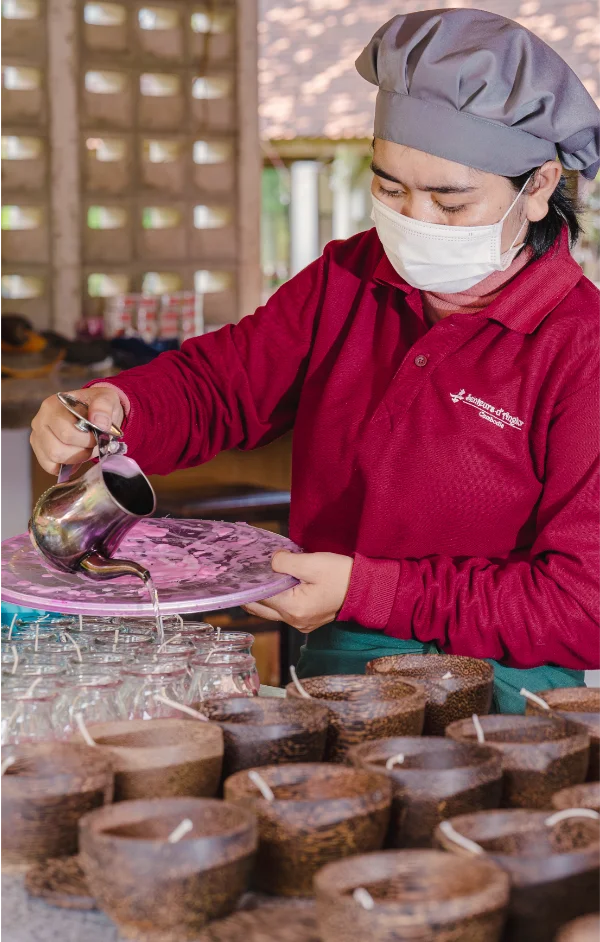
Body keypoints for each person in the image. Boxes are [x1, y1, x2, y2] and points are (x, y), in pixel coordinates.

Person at [31, 9, 600, 712]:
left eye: (450, 203)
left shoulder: (579, 349)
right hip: (336, 663)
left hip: (503, 694)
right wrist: (120, 406)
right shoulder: (351, 278)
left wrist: (371, 591)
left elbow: (584, 605)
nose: (415, 221)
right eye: (390, 189)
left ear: (538, 187)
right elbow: (224, 386)